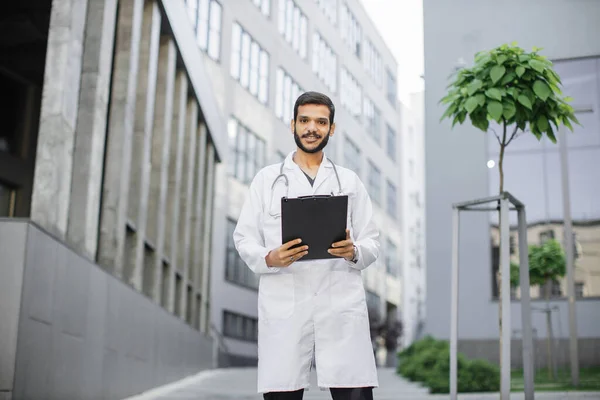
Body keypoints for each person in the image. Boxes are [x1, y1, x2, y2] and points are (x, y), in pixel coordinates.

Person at [233, 91, 380, 400]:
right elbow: (244, 237)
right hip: (286, 305)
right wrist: (270, 257)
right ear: (293, 125)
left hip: (340, 305)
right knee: (282, 393)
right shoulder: (267, 180)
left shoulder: (349, 182)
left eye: (321, 122)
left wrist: (354, 251)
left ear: (332, 128)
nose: (312, 128)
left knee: (354, 393)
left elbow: (372, 240)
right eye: (305, 121)